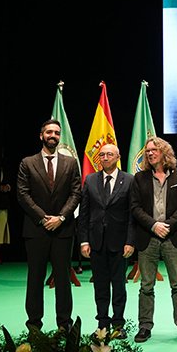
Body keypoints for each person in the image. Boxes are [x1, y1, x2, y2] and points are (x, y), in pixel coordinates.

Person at [16, 119, 82, 332]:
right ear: (41, 135)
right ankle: (34, 325)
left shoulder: (71, 163)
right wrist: (44, 217)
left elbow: (76, 193)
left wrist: (61, 218)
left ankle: (65, 324)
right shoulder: (27, 163)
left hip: (63, 230)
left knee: (63, 279)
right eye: (49, 132)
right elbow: (23, 194)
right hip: (36, 230)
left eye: (56, 133)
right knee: (35, 278)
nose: (53, 135)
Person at [130, 137, 177, 343]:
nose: (150, 153)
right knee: (146, 285)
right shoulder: (139, 178)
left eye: (154, 150)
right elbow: (135, 207)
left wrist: (168, 225)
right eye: (147, 151)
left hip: (172, 237)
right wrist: (153, 225)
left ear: (164, 152)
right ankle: (145, 327)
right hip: (148, 237)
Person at [77, 143, 135, 339]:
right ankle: (102, 324)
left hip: (120, 243)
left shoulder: (129, 180)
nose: (105, 157)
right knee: (100, 286)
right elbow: (84, 213)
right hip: (96, 243)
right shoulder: (90, 180)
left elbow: (132, 215)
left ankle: (118, 324)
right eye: (102, 155)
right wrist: (84, 241)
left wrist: (130, 241)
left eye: (109, 154)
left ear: (118, 157)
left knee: (119, 285)